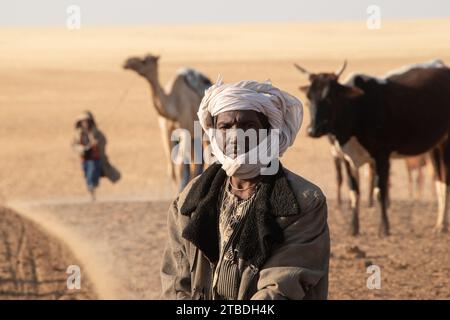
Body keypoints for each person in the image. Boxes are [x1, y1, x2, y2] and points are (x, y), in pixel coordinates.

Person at [160, 77, 330, 300]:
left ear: (269, 132)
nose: (236, 136)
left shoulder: (304, 203)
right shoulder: (187, 202)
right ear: (213, 134)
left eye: (248, 126)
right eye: (225, 126)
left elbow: (281, 286)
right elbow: (176, 285)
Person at [72, 111, 120, 201]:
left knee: (92, 175)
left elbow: (103, 141)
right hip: (85, 158)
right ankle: (92, 193)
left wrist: (96, 143)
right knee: (87, 176)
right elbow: (74, 145)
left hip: (94, 159)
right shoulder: (79, 134)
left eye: (86, 121)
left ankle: (92, 194)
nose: (84, 123)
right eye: (82, 122)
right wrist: (82, 149)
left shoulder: (95, 132)